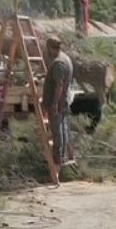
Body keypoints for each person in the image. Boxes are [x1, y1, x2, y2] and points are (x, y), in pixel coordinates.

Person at [42, 36, 74, 167]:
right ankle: (63, 155)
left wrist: (54, 103)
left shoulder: (58, 63)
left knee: (57, 129)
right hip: (64, 99)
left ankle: (58, 156)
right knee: (63, 127)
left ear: (50, 48)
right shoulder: (66, 58)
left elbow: (59, 85)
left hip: (58, 101)